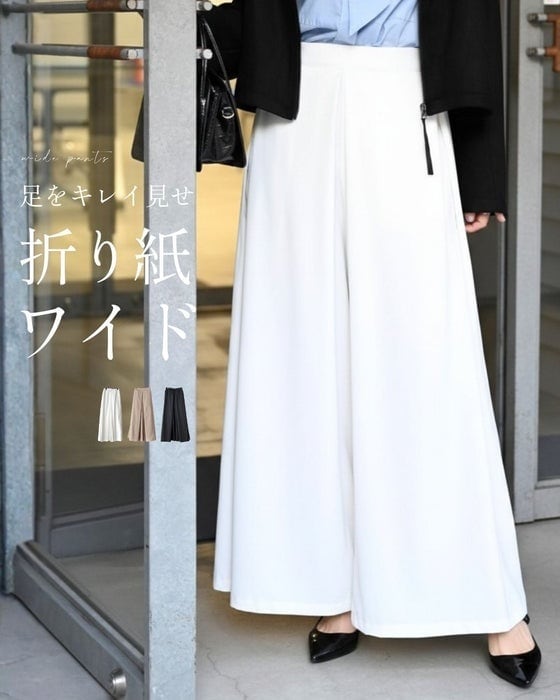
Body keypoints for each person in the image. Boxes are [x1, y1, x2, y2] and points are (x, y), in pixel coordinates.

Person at [206, 0, 542, 688]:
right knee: (301, 356)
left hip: (404, 101)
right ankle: (334, 590)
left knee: (428, 360)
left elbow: (473, 26)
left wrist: (479, 171)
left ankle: (493, 601)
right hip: (296, 114)